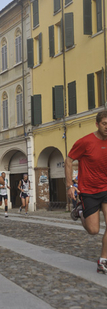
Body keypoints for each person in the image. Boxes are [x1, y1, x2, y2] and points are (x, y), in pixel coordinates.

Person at [65, 110, 107, 275]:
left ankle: (103, 260)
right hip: (89, 191)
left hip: (106, 188)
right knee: (93, 230)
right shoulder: (85, 142)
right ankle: (80, 210)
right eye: (104, 124)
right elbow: (69, 159)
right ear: (97, 124)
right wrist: (70, 186)